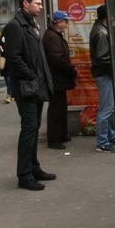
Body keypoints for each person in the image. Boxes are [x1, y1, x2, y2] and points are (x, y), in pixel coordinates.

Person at [1, 0, 56, 190]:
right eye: (38, 3)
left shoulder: (30, 24)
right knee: (29, 129)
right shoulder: (15, 26)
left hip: (36, 86)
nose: (41, 7)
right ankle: (24, 175)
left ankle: (33, 168)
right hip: (27, 87)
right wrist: (30, 75)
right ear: (26, 4)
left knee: (33, 129)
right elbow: (13, 57)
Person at [42, 10, 78, 150]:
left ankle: (61, 134)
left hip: (58, 79)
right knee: (56, 109)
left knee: (61, 107)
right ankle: (54, 138)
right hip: (56, 78)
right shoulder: (52, 37)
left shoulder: (54, 35)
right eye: (65, 21)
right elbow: (57, 59)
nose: (66, 24)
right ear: (59, 22)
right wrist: (72, 71)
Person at [90, 4, 115, 153]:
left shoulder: (100, 29)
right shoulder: (101, 32)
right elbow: (103, 57)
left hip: (103, 73)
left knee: (109, 107)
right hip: (104, 73)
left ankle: (110, 136)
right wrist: (114, 73)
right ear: (106, 17)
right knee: (106, 109)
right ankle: (102, 142)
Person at [0, 34, 13, 103]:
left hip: (12, 61)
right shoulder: (0, 40)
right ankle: (9, 94)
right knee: (7, 79)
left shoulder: (12, 38)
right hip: (4, 62)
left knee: (11, 79)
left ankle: (10, 94)